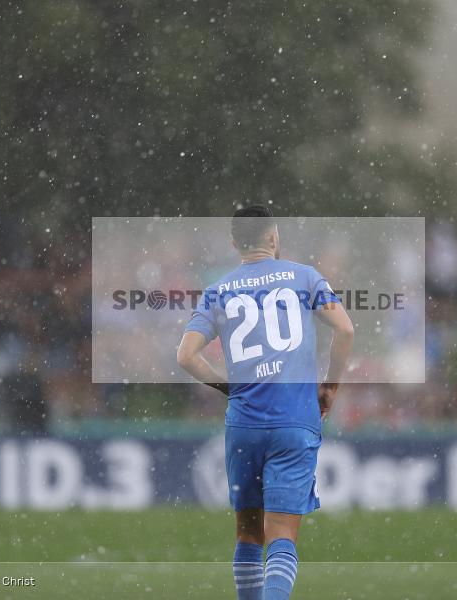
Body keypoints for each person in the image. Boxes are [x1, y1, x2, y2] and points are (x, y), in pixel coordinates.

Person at [176, 206, 354, 600]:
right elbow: (345, 329)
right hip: (295, 420)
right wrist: (330, 387)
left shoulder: (218, 291)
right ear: (273, 237)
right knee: (282, 535)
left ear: (234, 243)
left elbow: (186, 356)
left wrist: (229, 388)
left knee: (248, 533)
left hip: (245, 425)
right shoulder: (305, 276)